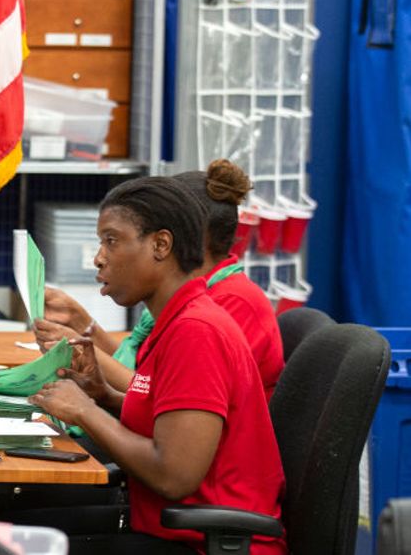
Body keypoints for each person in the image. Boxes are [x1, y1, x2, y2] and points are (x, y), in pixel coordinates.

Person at [28, 176, 286, 554]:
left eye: (111, 241)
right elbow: (166, 420)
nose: (99, 257)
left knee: (1, 537)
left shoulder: (196, 331)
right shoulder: (176, 320)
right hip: (163, 526)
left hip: (201, 543)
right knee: (3, 519)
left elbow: (173, 475)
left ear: (161, 245)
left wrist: (84, 412)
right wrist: (104, 395)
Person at [34, 160, 284, 400]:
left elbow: (158, 398)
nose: (98, 259)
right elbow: (145, 378)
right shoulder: (189, 297)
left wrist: (86, 406)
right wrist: (83, 324)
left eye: (113, 241)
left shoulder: (226, 305)